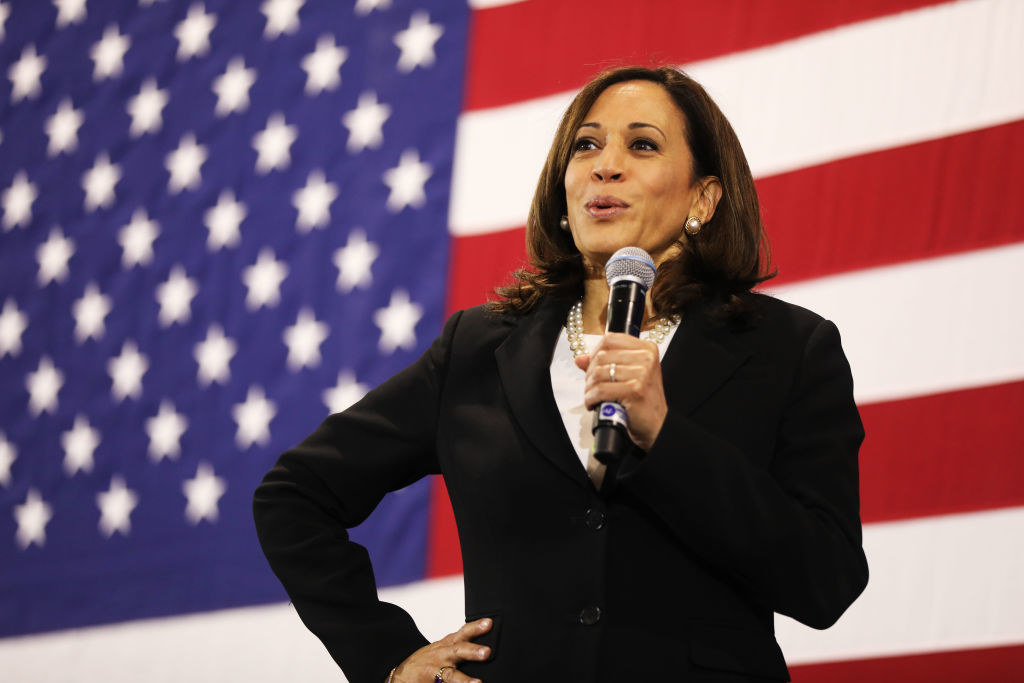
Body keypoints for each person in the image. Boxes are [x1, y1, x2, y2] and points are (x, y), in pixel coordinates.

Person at [253, 65, 868, 683]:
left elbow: (826, 583)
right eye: (587, 145)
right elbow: (294, 496)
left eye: (643, 144)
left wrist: (666, 438)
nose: (606, 165)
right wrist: (385, 655)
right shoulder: (478, 348)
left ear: (703, 199)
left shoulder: (788, 348)